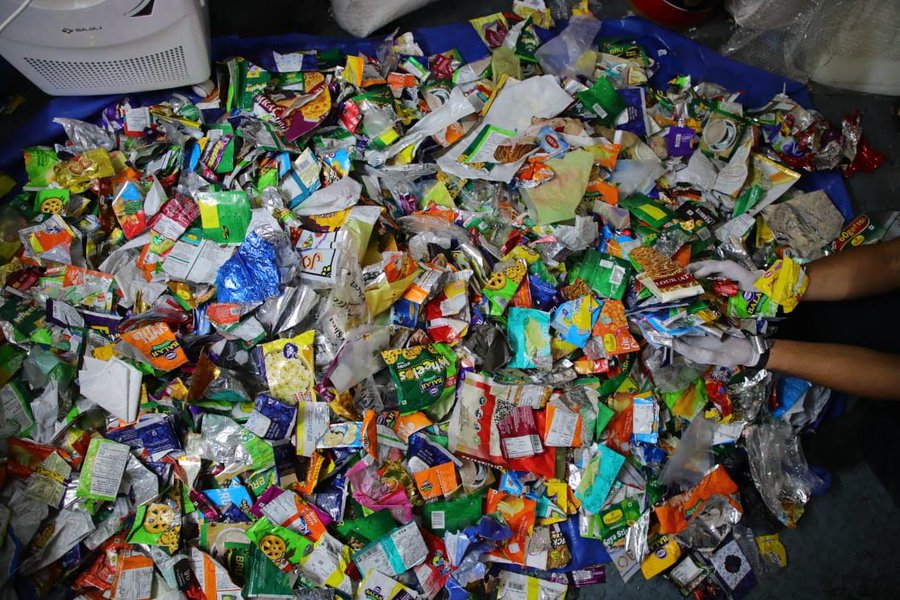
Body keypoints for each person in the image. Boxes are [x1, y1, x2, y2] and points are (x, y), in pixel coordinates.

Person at [673, 238, 900, 400]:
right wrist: (773, 286)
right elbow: (891, 260)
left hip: (849, 366)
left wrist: (758, 354)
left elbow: (892, 380)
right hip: (832, 297)